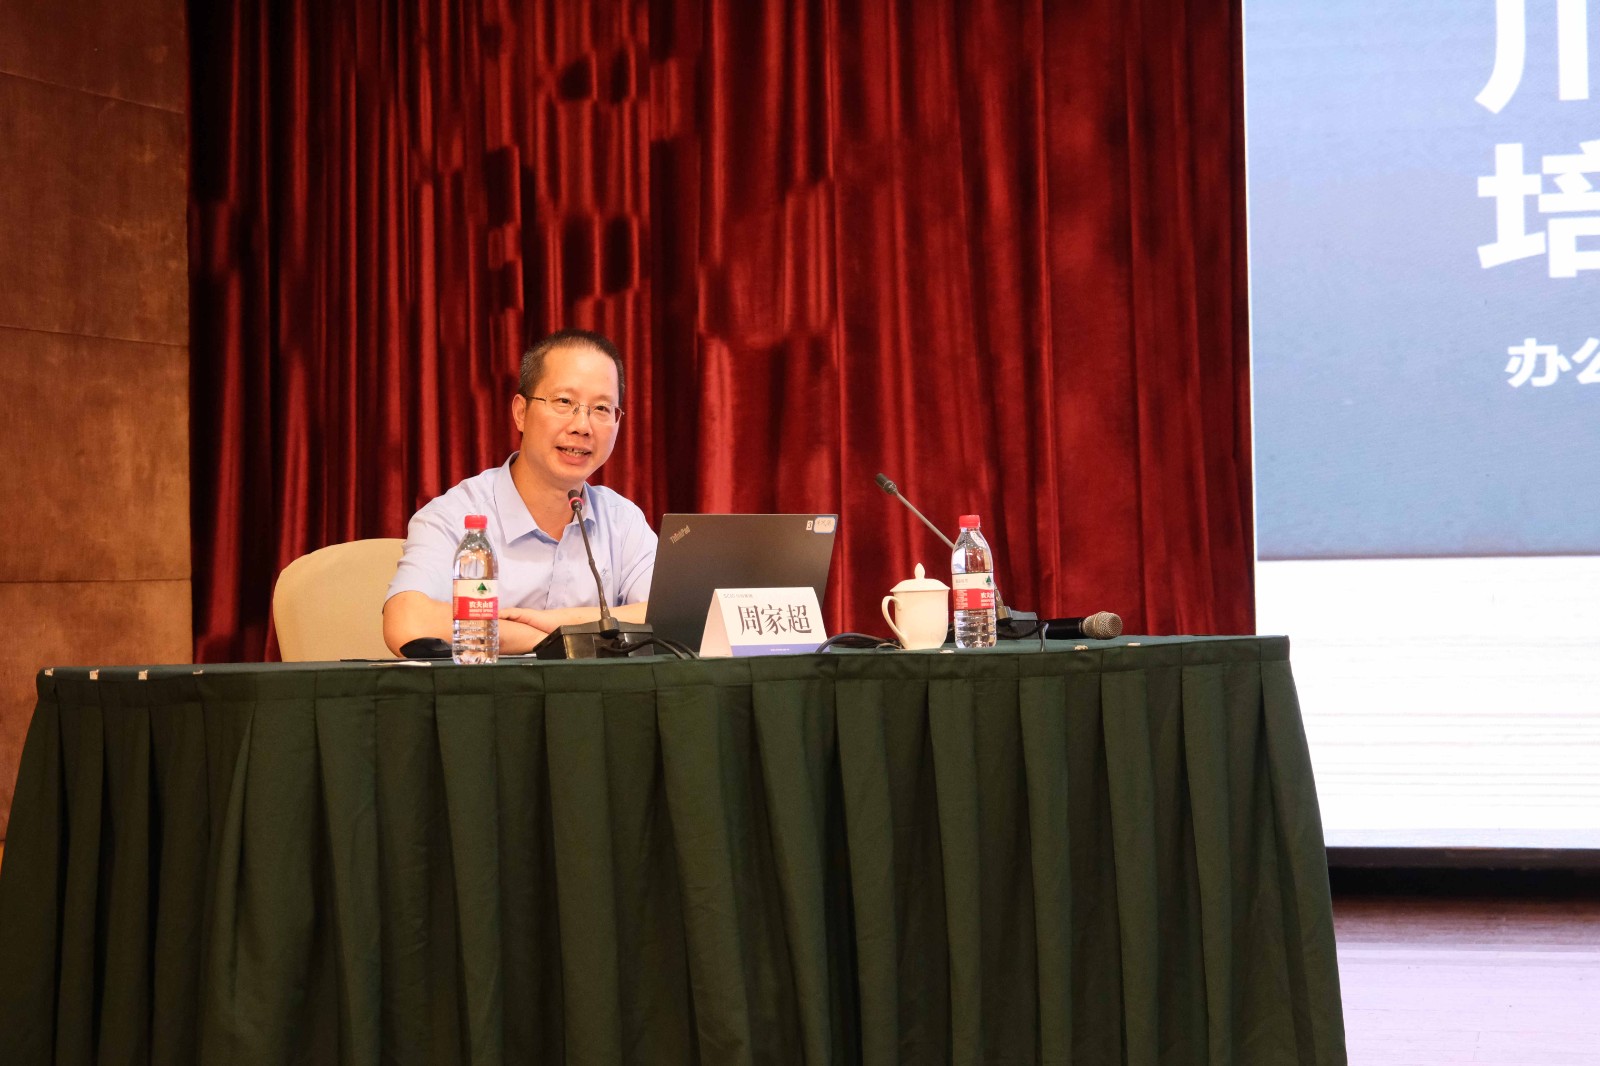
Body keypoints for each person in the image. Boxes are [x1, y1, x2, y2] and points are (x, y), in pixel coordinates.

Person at [382, 328, 655, 655]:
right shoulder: (456, 517)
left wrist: (561, 621)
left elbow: (676, 619)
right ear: (521, 413)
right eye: (564, 402)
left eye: (601, 408)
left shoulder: (622, 521)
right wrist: (561, 641)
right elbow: (407, 624)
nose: (582, 426)